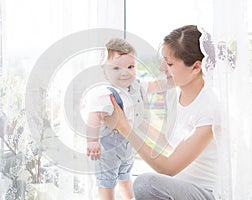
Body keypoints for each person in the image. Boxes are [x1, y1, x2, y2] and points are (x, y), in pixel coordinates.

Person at [102, 25, 220, 200]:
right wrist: (134, 119)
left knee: (145, 183)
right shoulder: (175, 95)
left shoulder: (211, 110)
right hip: (176, 187)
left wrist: (125, 128)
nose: (162, 68)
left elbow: (168, 168)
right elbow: (168, 141)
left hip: (204, 193)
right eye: (163, 60)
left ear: (196, 67)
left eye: (170, 63)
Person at [82, 38, 164, 200]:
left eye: (130, 67)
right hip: (108, 148)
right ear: (105, 72)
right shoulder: (105, 93)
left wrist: (171, 82)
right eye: (117, 68)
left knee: (125, 173)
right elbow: (94, 116)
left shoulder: (135, 86)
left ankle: (130, 198)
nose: (125, 72)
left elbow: (153, 85)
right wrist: (92, 141)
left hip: (127, 144)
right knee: (107, 181)